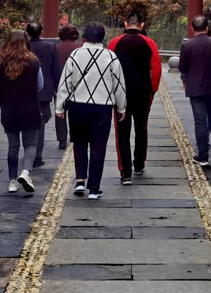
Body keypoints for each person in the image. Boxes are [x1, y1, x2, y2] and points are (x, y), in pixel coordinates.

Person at [55, 22, 126, 200]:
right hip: (102, 107)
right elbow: (119, 85)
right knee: (98, 146)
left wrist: (59, 106)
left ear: (84, 37)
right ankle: (94, 188)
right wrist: (121, 107)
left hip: (77, 105)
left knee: (79, 143)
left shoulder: (75, 55)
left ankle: (80, 180)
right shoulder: (111, 57)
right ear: (103, 38)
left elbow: (65, 82)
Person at [108, 11, 162, 185]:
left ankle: (125, 172)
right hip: (143, 93)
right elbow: (156, 70)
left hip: (120, 94)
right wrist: (152, 90)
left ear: (125, 24)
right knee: (141, 128)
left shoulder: (115, 42)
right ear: (142, 25)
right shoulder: (149, 43)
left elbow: (108, 68)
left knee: (122, 132)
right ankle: (139, 163)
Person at [0, 30, 43, 194]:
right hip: (30, 107)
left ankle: (12, 181)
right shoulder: (33, 62)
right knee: (30, 144)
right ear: (26, 42)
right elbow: (40, 85)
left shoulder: (1, 63)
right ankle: (26, 172)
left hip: (9, 109)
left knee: (13, 146)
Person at [178, 15, 211, 166]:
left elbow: (182, 67)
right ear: (207, 28)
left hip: (195, 89)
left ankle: (202, 156)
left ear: (192, 28)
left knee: (199, 121)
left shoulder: (187, 45)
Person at [27, 22, 60, 168]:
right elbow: (55, 69)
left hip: (25, 92)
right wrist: (57, 88)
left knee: (27, 125)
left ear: (27, 32)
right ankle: (36, 157)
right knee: (40, 125)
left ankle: (28, 152)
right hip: (44, 92)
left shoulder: (24, 47)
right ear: (41, 32)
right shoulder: (50, 47)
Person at [55, 24, 82, 150]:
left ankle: (62, 139)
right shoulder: (80, 48)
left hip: (59, 84)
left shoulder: (56, 48)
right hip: (77, 85)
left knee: (60, 111)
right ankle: (75, 135)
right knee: (75, 112)